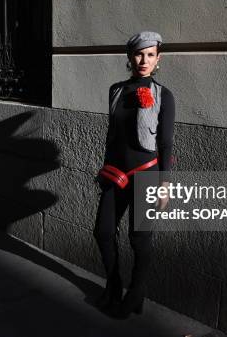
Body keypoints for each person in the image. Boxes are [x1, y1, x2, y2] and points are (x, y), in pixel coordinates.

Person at [93, 31, 175, 319]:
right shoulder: (116, 90)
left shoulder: (164, 95)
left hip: (147, 174)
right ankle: (114, 285)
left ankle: (136, 292)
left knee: (139, 239)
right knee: (102, 232)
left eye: (150, 54)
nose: (144, 60)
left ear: (158, 59)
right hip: (116, 173)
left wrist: (165, 184)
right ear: (130, 57)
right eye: (139, 53)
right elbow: (111, 136)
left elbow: (165, 143)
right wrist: (104, 169)